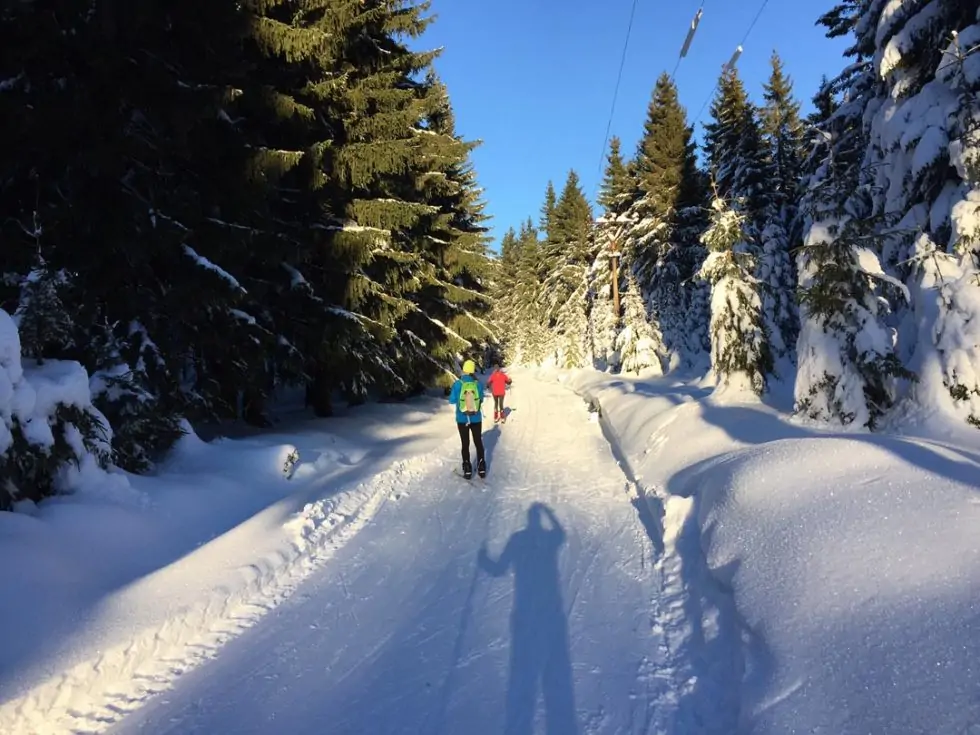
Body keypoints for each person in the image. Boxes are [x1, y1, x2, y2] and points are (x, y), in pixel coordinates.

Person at [448, 359, 486, 479]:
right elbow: (481, 399)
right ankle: (481, 466)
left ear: (464, 370)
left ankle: (467, 468)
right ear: (473, 370)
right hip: (476, 418)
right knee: (478, 442)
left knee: (465, 444)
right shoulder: (477, 384)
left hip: (462, 419)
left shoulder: (458, 384)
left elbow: (452, 400)